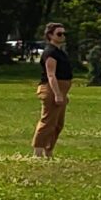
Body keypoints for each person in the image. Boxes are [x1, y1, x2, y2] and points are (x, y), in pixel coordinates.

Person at [31, 21, 73, 158]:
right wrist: (57, 94)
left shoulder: (60, 52)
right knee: (48, 121)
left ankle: (48, 151)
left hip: (61, 89)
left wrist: (63, 94)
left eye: (64, 34)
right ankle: (37, 153)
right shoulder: (50, 52)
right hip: (51, 88)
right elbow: (51, 75)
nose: (63, 36)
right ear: (50, 35)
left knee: (58, 124)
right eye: (59, 34)